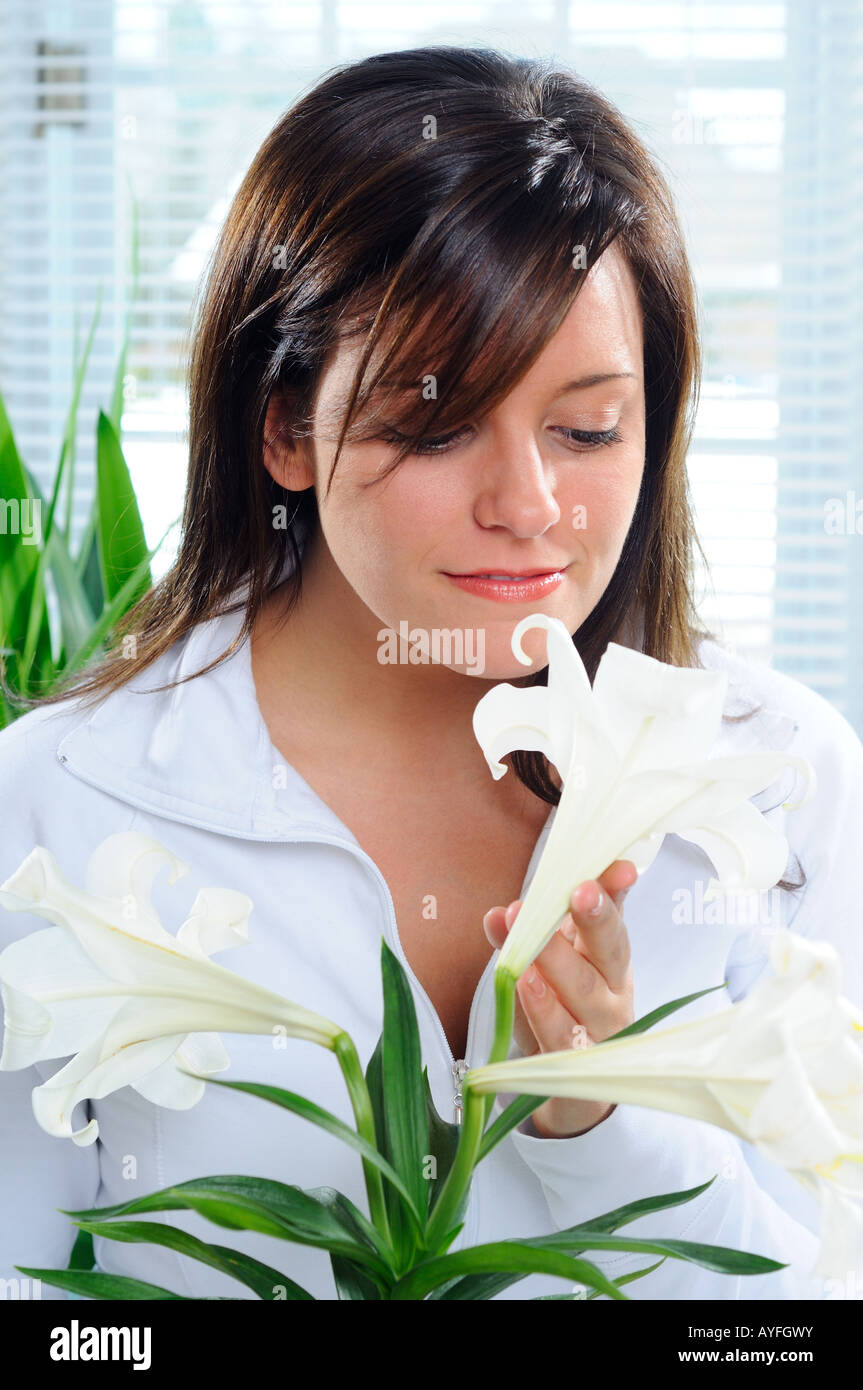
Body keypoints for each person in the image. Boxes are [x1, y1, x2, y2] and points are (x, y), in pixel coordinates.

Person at [1, 44, 861, 1303]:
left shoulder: (782, 774)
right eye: (435, 419)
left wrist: (594, 1114)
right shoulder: (56, 800)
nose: (528, 503)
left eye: (585, 428)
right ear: (284, 426)